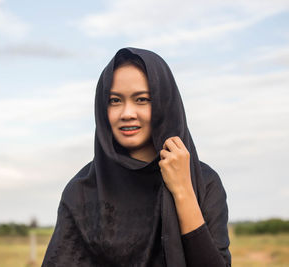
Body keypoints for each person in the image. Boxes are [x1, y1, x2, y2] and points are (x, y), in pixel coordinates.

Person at [42, 47, 231, 266]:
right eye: (114, 100)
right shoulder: (82, 191)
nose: (127, 113)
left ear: (164, 103)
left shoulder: (204, 182)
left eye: (141, 99)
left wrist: (182, 191)